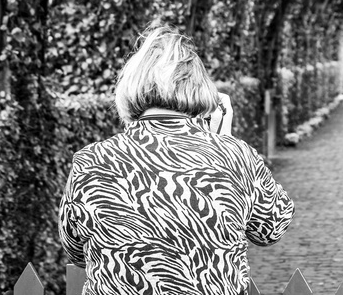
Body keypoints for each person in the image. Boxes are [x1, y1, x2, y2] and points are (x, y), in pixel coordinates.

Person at [59, 23, 294, 295]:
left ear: (130, 85)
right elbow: (271, 228)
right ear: (200, 88)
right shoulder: (236, 155)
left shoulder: (91, 161)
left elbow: (75, 250)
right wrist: (226, 144)